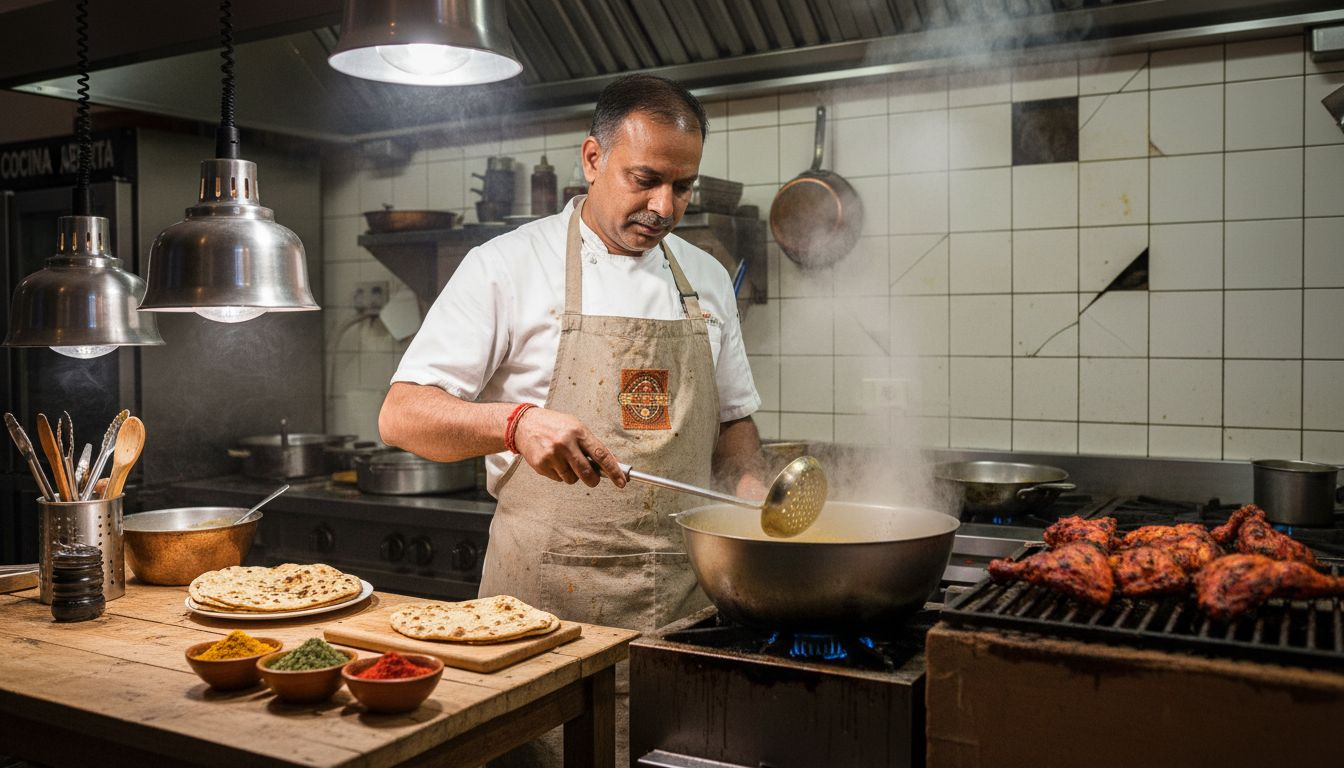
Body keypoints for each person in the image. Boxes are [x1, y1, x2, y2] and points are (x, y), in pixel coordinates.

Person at [379, 74, 767, 764]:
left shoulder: (706, 278)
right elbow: (403, 415)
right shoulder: (504, 267)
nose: (664, 206)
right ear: (592, 159)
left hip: (682, 615)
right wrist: (515, 423)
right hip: (540, 616)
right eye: (645, 179)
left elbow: (733, 425)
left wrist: (752, 498)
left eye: (683, 187)